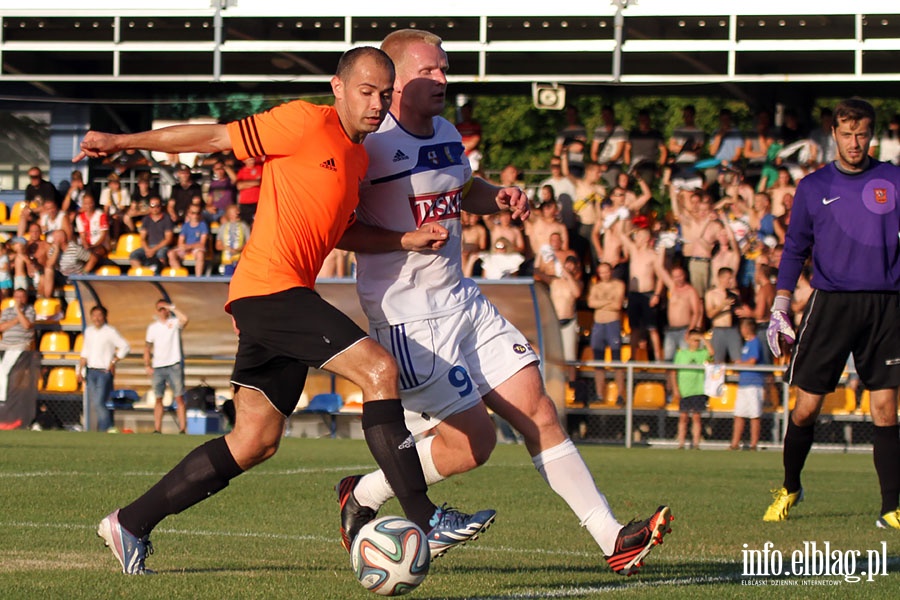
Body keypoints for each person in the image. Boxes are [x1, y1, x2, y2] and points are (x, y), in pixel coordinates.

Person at [77, 46, 488, 574]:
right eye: (365, 91)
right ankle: (425, 517)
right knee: (378, 369)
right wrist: (121, 141)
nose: (376, 104)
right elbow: (213, 137)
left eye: (385, 95)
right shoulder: (300, 121)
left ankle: (129, 523)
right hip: (271, 293)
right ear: (337, 87)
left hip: (278, 296)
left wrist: (403, 238)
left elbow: (341, 231)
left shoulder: (359, 156)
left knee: (254, 442)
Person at [336, 29, 672, 576]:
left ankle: (615, 539)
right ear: (395, 83)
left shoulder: (446, 131)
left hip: (463, 300)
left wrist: (500, 198)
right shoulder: (367, 146)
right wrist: (401, 240)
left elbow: (462, 189)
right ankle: (364, 492)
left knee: (539, 409)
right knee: (474, 446)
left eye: (445, 68)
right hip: (409, 318)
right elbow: (336, 227)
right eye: (430, 72)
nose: (443, 79)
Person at [764, 98, 900, 529]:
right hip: (831, 303)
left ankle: (891, 508)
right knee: (806, 408)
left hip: (886, 304)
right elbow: (794, 250)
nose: (855, 142)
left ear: (872, 135)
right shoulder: (812, 186)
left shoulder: (894, 179)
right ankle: (789, 487)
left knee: (885, 410)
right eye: (846, 134)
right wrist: (781, 302)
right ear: (834, 136)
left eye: (862, 134)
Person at [78, 305, 130, 433]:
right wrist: (80, 370)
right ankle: (107, 428)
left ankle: (105, 429)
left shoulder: (110, 331)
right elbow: (85, 352)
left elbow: (125, 346)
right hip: (91, 371)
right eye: (94, 315)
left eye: (99, 315)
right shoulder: (89, 331)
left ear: (104, 317)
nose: (97, 318)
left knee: (99, 402)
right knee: (96, 403)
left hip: (103, 372)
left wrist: (114, 361)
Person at [144, 300, 189, 434]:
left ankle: (182, 428)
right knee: (158, 398)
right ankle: (157, 428)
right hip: (158, 366)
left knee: (179, 397)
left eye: (165, 308)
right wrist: (147, 364)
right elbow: (147, 347)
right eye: (160, 309)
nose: (163, 311)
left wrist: (173, 308)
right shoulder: (153, 327)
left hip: (173, 364)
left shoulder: (174, 323)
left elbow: (185, 319)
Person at [586, 262, 626, 405]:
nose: (605, 275)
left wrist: (600, 302)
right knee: (598, 362)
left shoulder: (619, 285)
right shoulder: (596, 286)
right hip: (598, 325)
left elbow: (617, 305)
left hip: (612, 324)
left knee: (617, 361)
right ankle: (599, 394)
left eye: (607, 272)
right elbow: (590, 303)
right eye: (601, 272)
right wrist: (609, 301)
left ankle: (620, 394)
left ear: (611, 272)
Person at [673, 328, 713, 449]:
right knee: (683, 417)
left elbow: (712, 353)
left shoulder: (702, 354)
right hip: (684, 391)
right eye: (693, 340)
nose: (695, 343)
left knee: (696, 417)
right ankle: (681, 443)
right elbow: (674, 372)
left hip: (698, 390)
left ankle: (696, 444)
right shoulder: (681, 354)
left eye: (697, 340)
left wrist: (703, 339)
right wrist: (675, 388)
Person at [731, 318, 766, 451]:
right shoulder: (746, 345)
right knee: (739, 414)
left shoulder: (755, 342)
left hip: (754, 385)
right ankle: (735, 443)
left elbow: (752, 361)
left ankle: (753, 444)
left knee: (754, 415)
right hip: (743, 384)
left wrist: (739, 364)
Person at [0, 288, 35, 402]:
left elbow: (26, 325)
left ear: (26, 298)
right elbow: (1, 327)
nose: (19, 299)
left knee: (4, 370)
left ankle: (3, 399)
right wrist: (16, 319)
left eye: (22, 297)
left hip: (20, 344)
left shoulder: (30, 310)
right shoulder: (6, 311)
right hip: (4, 344)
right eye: (17, 297)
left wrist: (18, 311)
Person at [129, 196, 174, 272]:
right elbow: (142, 238)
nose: (155, 208)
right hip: (148, 247)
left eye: (157, 206)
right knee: (134, 255)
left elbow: (168, 239)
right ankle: (142, 276)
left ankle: (162, 276)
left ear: (161, 206)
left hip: (161, 247)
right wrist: (147, 249)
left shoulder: (167, 219)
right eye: (152, 206)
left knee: (161, 255)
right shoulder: (146, 219)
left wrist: (153, 250)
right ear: (149, 207)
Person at [167, 204, 209, 276]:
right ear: (188, 213)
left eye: (197, 213)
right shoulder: (185, 225)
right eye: (193, 213)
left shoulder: (203, 225)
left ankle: (198, 278)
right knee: (171, 253)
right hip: (186, 248)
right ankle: (179, 274)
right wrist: (184, 247)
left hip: (196, 249)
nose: (195, 215)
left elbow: (202, 243)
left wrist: (189, 246)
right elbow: (180, 242)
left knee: (200, 254)